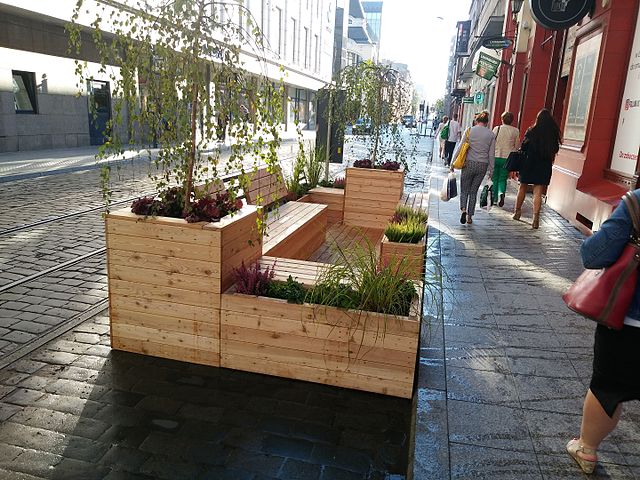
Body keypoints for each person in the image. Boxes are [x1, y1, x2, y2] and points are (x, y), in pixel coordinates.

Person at [567, 189, 640, 474]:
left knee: (608, 388)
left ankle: (587, 449)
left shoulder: (636, 202)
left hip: (630, 323)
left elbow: (594, 254)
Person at [512, 109, 560, 229]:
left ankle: (517, 212)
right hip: (544, 165)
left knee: (522, 187)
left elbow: (523, 146)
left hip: (529, 163)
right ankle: (535, 219)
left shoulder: (531, 131)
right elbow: (555, 149)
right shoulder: (553, 133)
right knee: (538, 191)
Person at [451, 110, 495, 225]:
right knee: (473, 191)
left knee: (464, 190)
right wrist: (491, 170)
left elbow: (460, 147)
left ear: (477, 121)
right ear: (487, 122)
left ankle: (463, 210)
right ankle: (470, 216)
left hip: (469, 164)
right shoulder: (491, 134)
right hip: (482, 165)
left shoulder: (469, 131)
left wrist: (452, 162)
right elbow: (491, 154)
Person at [492, 111, 520, 207]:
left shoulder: (497, 128)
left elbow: (491, 142)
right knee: (503, 178)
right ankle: (501, 193)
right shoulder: (515, 131)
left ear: (502, 119)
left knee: (495, 177)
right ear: (512, 120)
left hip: (495, 156)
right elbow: (517, 146)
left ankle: (494, 199)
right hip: (507, 158)